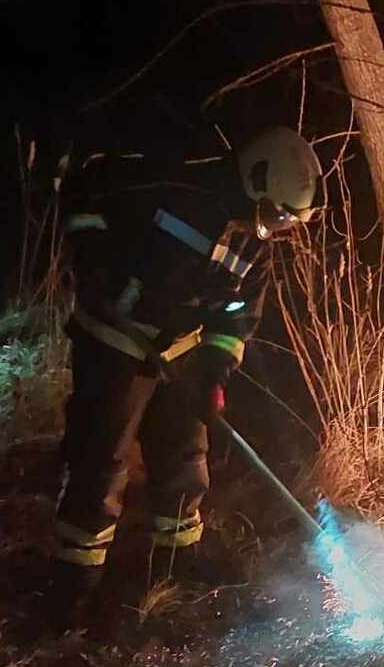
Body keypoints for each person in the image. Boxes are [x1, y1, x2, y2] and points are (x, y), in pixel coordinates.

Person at [48, 126, 320, 616]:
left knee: (184, 454)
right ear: (255, 180)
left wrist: (214, 370)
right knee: (101, 457)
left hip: (182, 349)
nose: (277, 228)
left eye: (286, 221)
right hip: (116, 341)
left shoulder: (254, 244)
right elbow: (88, 205)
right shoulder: (175, 188)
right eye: (277, 215)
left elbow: (237, 314)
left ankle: (177, 559)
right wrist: (99, 267)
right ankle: (75, 577)